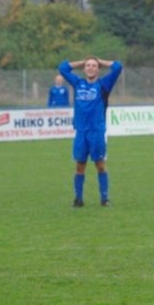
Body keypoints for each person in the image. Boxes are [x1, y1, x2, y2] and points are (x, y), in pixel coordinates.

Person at [58, 56, 122, 207]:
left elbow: (118, 67)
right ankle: (78, 199)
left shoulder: (103, 85)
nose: (91, 68)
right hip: (81, 132)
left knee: (100, 165)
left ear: (98, 69)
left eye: (94, 65)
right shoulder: (78, 83)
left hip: (96, 131)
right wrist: (82, 62)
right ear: (84, 69)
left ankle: (104, 199)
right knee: (80, 166)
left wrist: (100, 61)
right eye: (88, 65)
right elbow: (63, 68)